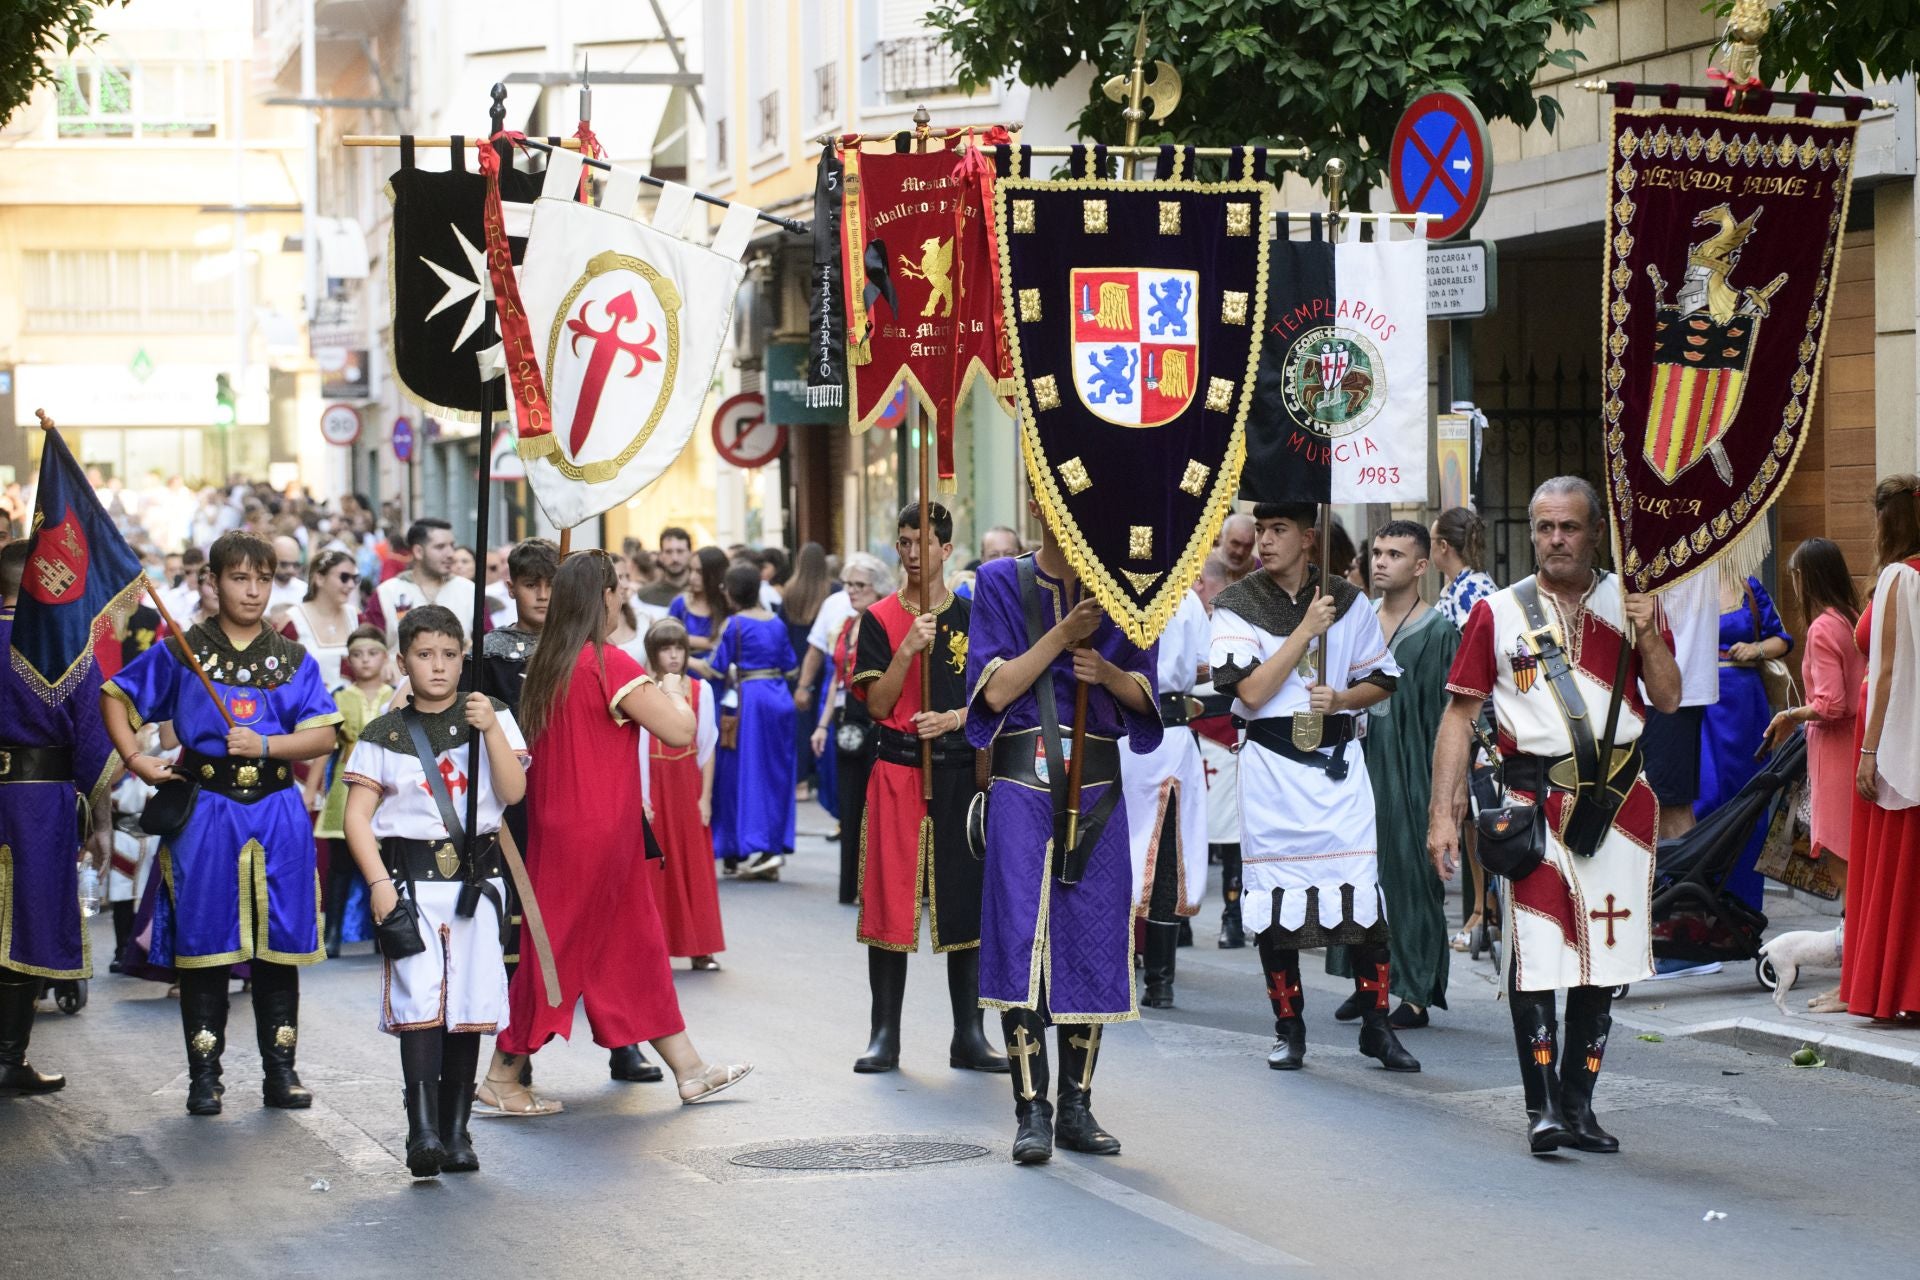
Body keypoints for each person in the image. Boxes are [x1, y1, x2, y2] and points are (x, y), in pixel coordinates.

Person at [1429, 476, 1680, 1154]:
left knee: (1607, 958)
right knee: (1536, 956)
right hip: (1531, 806)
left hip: (1620, 807)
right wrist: (1442, 816)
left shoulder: (1630, 603)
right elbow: (1458, 714)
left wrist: (1649, 631)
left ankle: (1579, 1108)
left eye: (1569, 527)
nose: (1556, 539)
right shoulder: (1500, 612)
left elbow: (1668, 697)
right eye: (1544, 528)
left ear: (1595, 531)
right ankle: (1540, 1109)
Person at [478, 553, 751, 1113]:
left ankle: (690, 1069)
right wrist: (674, 683)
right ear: (601, 597)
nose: (622, 598)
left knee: (634, 949)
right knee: (552, 955)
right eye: (617, 590)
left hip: (578, 830)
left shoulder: (552, 662)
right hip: (596, 833)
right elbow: (677, 730)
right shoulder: (606, 663)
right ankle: (501, 1077)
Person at [101, 530, 344, 1116]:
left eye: (263, 578)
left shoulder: (290, 658)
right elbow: (116, 696)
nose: (253, 590)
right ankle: (203, 1078)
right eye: (239, 578)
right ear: (214, 581)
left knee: (278, 947)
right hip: (206, 809)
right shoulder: (182, 649)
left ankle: (280, 1073)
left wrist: (266, 745)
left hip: (277, 809)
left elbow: (326, 733)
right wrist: (137, 760)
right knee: (205, 948)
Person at [964, 506, 1160, 1163]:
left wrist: (1104, 672)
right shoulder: (997, 581)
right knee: (1021, 938)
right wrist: (1061, 636)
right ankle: (1032, 1110)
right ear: (1040, 508)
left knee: (1094, 937)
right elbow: (993, 695)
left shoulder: (1124, 591)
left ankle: (1077, 1105)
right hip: (1023, 784)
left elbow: (1145, 695)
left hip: (1100, 787)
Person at [1209, 504, 1418, 1076]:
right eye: (1261, 531)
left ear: (1308, 538)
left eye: (1279, 532)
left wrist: (1343, 699)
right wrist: (1305, 631)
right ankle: (1289, 1028)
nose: (1264, 541)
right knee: (1275, 902)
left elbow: (1383, 678)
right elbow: (1250, 692)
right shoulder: (1235, 605)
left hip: (1338, 768)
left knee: (1361, 896)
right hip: (1272, 773)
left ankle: (1377, 1028)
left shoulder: (1346, 602)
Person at [342, 606, 525, 1177]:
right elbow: (357, 817)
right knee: (419, 1002)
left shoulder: (490, 715)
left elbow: (513, 792)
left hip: (477, 882)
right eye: (425, 655)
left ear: (463, 658)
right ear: (403, 661)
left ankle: (456, 1130)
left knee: (468, 1005)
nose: (438, 667)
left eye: (449, 655)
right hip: (412, 884)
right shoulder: (385, 734)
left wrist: (491, 729)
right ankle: (420, 1130)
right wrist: (377, 884)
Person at [850, 504, 1004, 1074]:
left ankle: (969, 1033)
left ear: (946, 549)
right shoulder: (881, 619)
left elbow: (994, 696)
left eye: (923, 542)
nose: (912, 553)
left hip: (959, 771)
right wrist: (908, 649)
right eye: (904, 541)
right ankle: (884, 1033)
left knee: (964, 901)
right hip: (896, 773)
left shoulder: (973, 616)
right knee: (890, 902)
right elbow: (879, 705)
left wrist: (955, 719)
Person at [1327, 521, 1457, 1029]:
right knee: (1359, 877)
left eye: (1395, 554)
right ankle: (1368, 986)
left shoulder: (1439, 630)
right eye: (1377, 552)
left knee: (1408, 879)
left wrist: (1449, 792)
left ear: (1421, 566)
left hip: (1411, 767)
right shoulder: (1359, 622)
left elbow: (1451, 713)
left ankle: (1415, 991)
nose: (1381, 561)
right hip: (1358, 765)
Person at [0, 542, 116, 1096]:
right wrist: (101, 820)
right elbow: (95, 745)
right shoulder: (65, 651)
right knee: (27, 921)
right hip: (36, 802)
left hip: (34, 797)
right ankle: (8, 1059)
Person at [1765, 538, 1862, 1012]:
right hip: (1852, 753)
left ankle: (1853, 986)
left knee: (1850, 882)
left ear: (1806, 579)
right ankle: (1858, 981)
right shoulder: (1849, 619)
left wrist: (1790, 716)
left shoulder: (1824, 627)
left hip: (1837, 760)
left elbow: (1832, 704)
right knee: (1859, 878)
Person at [1840, 476, 1920, 1021]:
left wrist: (1869, 752)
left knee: (1891, 859)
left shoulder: (1897, 575)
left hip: (1891, 731)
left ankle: (1884, 991)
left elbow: (1887, 668)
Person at [1120, 579, 1210, 1009]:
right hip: (1149, 732)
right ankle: (1157, 982)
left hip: (1138, 734)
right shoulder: (1184, 596)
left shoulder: (1106, 587)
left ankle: (1148, 979)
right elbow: (1206, 664)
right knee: (1163, 858)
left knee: (1160, 857)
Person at [1695, 570, 1792, 911]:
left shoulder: (1747, 585)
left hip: (1745, 707)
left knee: (1749, 799)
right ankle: (1696, 905)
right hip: (1697, 706)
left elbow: (1782, 639)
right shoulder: (1680, 582)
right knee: (1703, 801)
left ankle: (1742, 907)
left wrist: (1756, 648)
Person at [641, 619, 725, 970]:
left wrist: (704, 798)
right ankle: (653, 947)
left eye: (678, 648)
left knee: (695, 865)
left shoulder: (700, 690)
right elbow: (639, 749)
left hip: (686, 784)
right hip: (655, 786)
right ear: (654, 653)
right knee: (654, 869)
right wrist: (643, 797)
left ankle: (700, 947)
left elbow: (707, 748)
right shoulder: (643, 690)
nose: (673, 656)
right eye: (665, 649)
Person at [305, 626, 392, 957]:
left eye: (372, 653)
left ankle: (386, 933)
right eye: (357, 654)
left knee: (386, 863)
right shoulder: (340, 697)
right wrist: (311, 790)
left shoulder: (394, 696)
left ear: (384, 657)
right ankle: (333, 933)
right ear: (348, 660)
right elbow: (324, 748)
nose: (365, 660)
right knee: (340, 867)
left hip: (386, 789)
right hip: (347, 785)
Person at [809, 555, 890, 903]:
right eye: (848, 585)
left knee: (875, 806)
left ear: (877, 589)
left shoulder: (885, 622)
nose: (852, 591)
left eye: (860, 586)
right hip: (846, 719)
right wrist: (822, 725)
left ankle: (875, 887)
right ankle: (851, 887)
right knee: (849, 802)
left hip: (877, 717)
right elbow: (834, 680)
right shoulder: (844, 625)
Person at [711, 564, 798, 880]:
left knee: (744, 773)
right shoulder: (776, 622)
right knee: (776, 774)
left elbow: (718, 668)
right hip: (779, 699)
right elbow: (790, 665)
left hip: (749, 700)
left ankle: (743, 845)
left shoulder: (734, 624)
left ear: (733, 593)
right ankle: (772, 845)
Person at [1188, 555, 1244, 948]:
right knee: (1188, 830)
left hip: (1228, 733)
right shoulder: (1186, 615)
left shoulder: (1237, 620)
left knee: (1232, 834)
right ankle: (1180, 918)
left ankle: (1233, 916)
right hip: (1190, 729)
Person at [362, 518, 479, 652]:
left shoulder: (470, 590)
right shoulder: (386, 593)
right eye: (440, 547)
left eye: (452, 546)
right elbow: (369, 648)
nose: (451, 554)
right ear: (418, 551)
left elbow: (486, 645)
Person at [282, 549, 359, 692]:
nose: (351, 585)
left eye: (355, 579)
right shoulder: (293, 621)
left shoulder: (357, 617)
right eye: (344, 577)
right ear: (320, 578)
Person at [672, 545, 732, 700]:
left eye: (699, 572)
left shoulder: (728, 604)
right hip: (683, 678)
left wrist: (684, 638)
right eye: (690, 570)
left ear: (714, 574)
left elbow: (730, 643)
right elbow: (666, 638)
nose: (692, 577)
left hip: (720, 682)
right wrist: (710, 643)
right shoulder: (680, 604)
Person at [639, 526, 694, 610]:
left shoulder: (703, 593)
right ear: (661, 555)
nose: (675, 558)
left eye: (680, 551)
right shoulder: (644, 596)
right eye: (668, 552)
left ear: (690, 554)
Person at [268, 535, 307, 613]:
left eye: (296, 565)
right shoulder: (258, 588)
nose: (290, 570)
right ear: (272, 561)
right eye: (284, 564)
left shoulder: (304, 590)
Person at [1217, 512, 1257, 581]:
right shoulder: (1200, 567)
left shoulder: (1260, 570)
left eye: (1248, 546)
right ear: (1221, 538)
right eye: (1235, 544)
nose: (1240, 552)